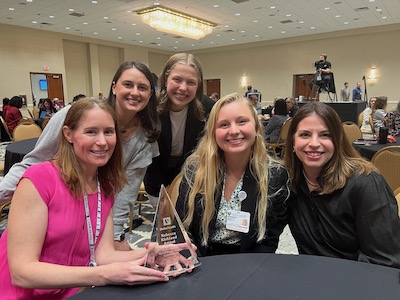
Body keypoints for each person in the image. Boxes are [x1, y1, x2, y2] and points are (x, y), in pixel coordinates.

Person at [0, 98, 195, 299]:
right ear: (68, 134)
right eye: (91, 132)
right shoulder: (38, 179)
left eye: (109, 132)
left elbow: (103, 256)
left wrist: (153, 252)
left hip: (72, 293)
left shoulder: (105, 186)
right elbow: (22, 273)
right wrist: (101, 276)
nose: (102, 142)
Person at [0, 62, 161, 251]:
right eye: (128, 84)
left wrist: (116, 236)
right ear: (114, 87)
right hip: (57, 207)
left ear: (151, 94)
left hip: (97, 211)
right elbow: (34, 162)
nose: (135, 92)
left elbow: (125, 191)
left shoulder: (145, 137)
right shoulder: (75, 114)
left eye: (142, 87)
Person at [284, 102, 400, 269]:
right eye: (305, 135)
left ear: (337, 140)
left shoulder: (366, 184)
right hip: (311, 280)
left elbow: (385, 261)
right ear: (293, 142)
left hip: (356, 284)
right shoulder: (290, 183)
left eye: (325, 135)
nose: (314, 143)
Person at [175, 93, 290, 256]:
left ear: (256, 127)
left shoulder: (275, 175)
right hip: (202, 260)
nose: (234, 131)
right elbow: (182, 228)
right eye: (224, 125)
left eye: (242, 121)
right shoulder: (196, 171)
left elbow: (269, 240)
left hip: (250, 261)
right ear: (213, 132)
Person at [144, 53, 214, 206]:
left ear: (198, 85)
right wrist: (162, 186)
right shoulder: (150, 107)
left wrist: (182, 184)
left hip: (192, 177)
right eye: (177, 80)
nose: (183, 88)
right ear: (166, 80)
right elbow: (146, 154)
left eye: (191, 82)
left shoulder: (208, 107)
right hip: (156, 175)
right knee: (164, 225)